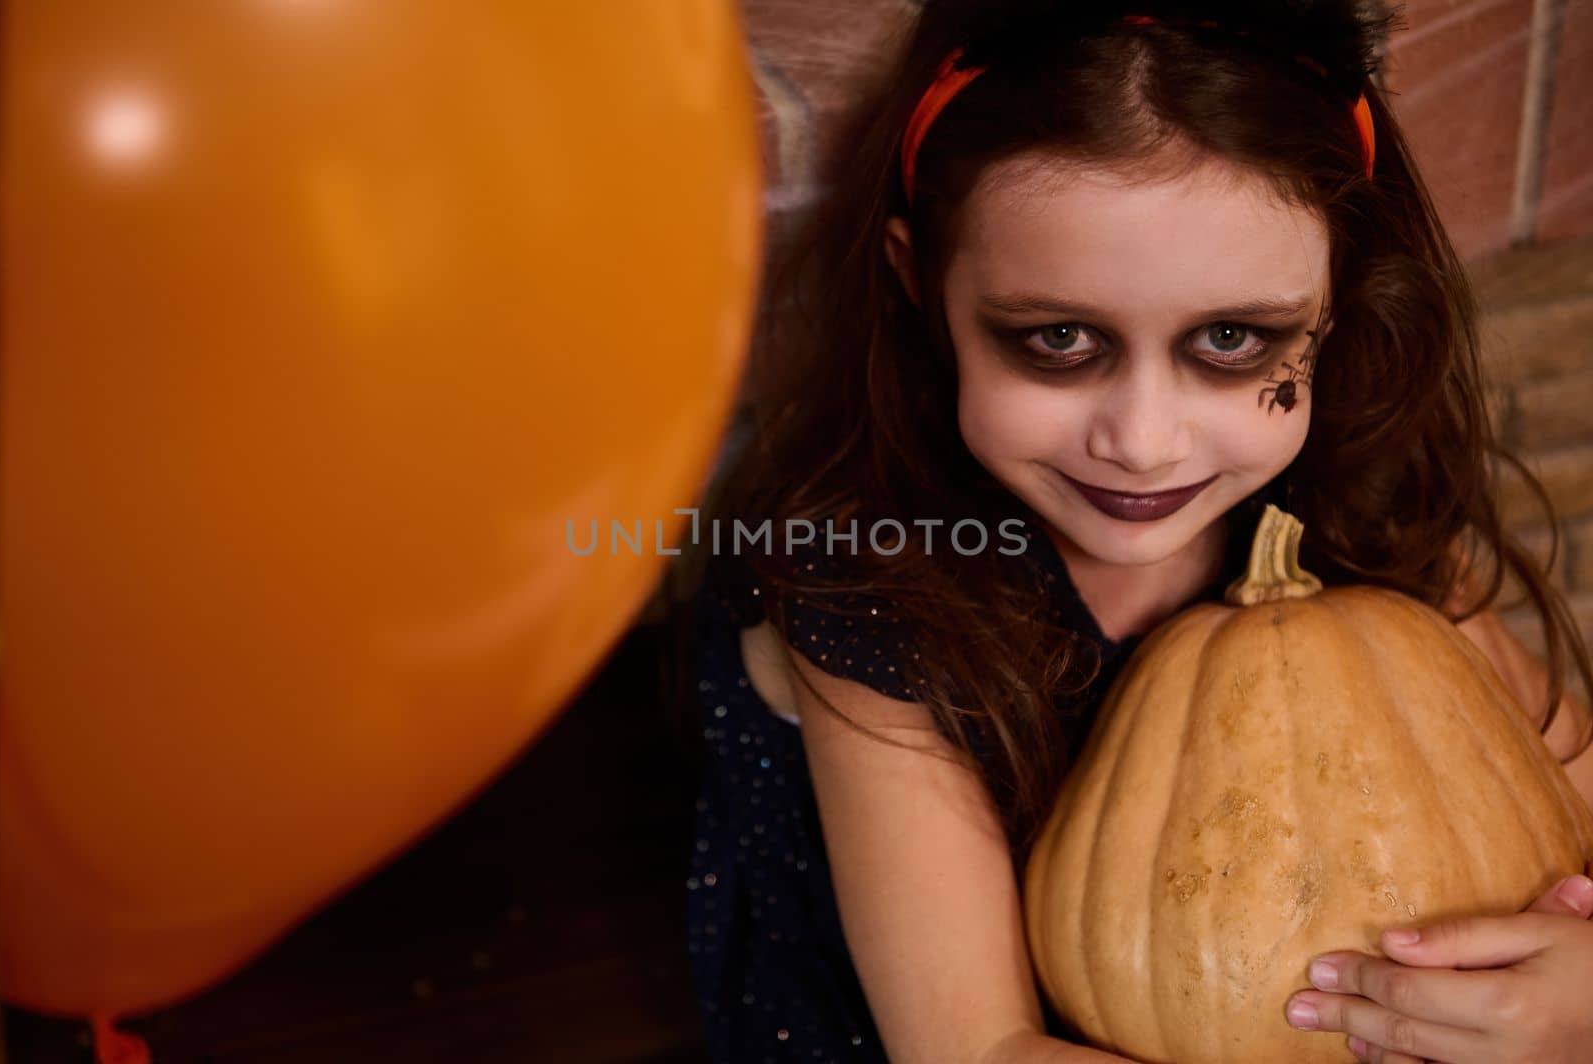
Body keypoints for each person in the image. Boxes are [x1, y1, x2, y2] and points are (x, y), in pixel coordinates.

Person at [679, 1, 1593, 1060]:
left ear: (1332, 306)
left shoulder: (1347, 509)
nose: (1145, 441)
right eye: (1059, 338)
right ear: (918, 284)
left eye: (1231, 339)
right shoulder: (873, 594)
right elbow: (976, 1046)